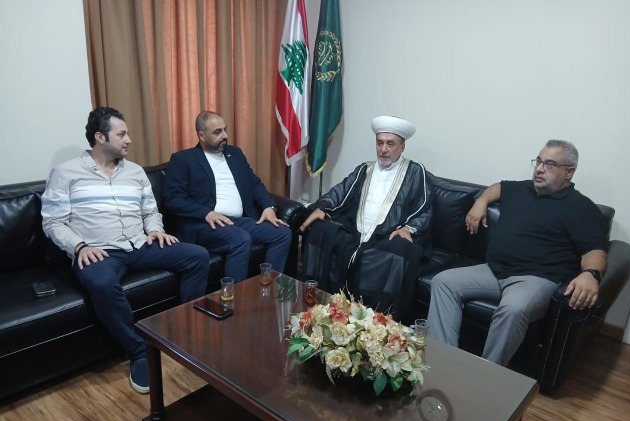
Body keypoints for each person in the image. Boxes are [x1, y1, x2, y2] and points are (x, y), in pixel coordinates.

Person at [41, 107, 210, 394]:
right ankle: (139, 351)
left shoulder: (135, 172)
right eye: (122, 134)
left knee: (197, 256)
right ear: (100, 137)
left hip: (139, 244)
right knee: (103, 284)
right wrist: (79, 246)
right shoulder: (66, 173)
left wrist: (155, 229)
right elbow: (53, 222)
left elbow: (150, 212)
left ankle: (186, 332)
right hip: (99, 251)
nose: (129, 139)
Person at [427, 139, 609, 366]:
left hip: (534, 279)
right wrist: (481, 201)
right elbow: (498, 187)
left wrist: (591, 274)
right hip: (494, 271)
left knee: (514, 308)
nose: (540, 169)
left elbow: (595, 250)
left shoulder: (582, 208)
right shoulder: (522, 189)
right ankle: (441, 360)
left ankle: (486, 374)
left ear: (569, 172)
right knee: (443, 281)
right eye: (538, 161)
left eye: (549, 164)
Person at [299, 115, 435, 322]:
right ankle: (319, 305)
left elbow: (425, 208)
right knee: (320, 229)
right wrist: (322, 208)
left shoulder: (416, 172)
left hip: (388, 235)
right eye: (380, 143)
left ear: (402, 147)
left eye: (390, 144)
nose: (383, 149)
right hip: (356, 231)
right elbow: (341, 191)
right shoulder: (365, 169)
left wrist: (408, 228)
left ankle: (376, 320)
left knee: (400, 250)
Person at [163, 111, 292, 281]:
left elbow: (254, 183)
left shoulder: (235, 154)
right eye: (217, 132)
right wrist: (206, 213)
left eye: (225, 130)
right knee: (240, 239)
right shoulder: (184, 159)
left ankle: (270, 287)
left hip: (239, 221)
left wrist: (268, 207)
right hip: (205, 224)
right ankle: (233, 296)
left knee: (282, 232)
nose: (225, 136)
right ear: (201, 135)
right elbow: (172, 199)